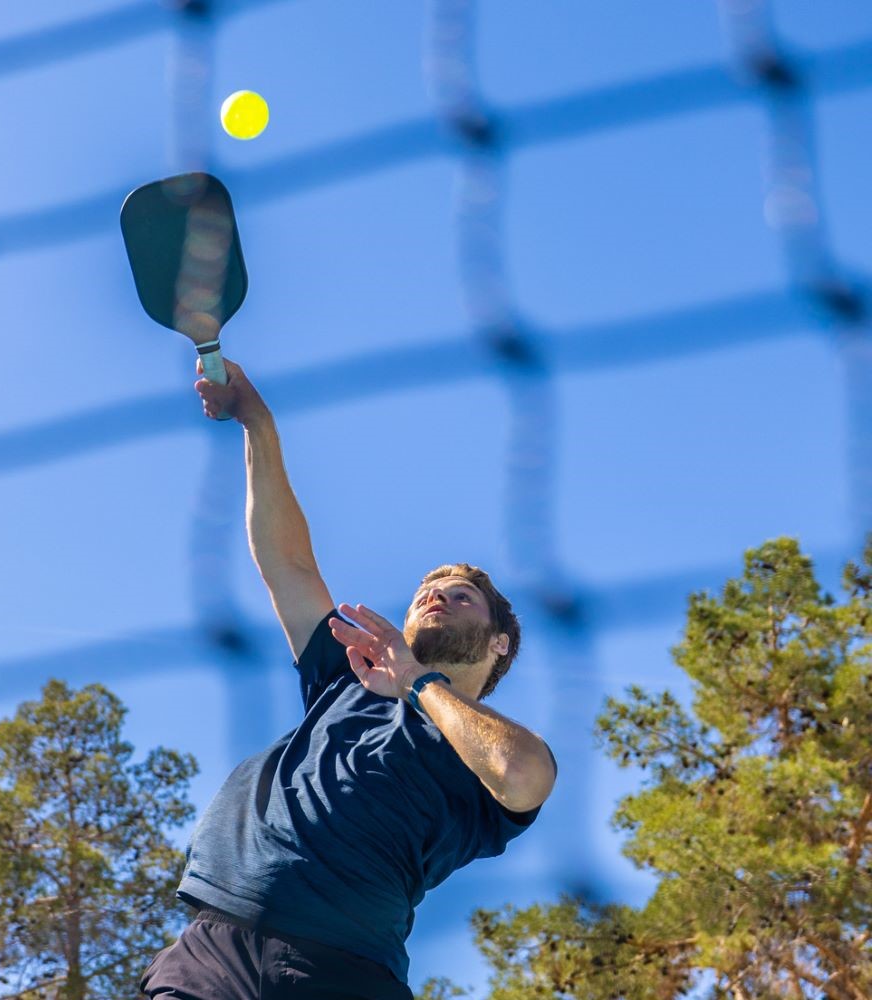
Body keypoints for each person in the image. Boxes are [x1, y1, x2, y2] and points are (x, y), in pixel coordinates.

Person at [138, 358, 559, 999]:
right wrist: (257, 423)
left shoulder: (479, 757)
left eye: (462, 595)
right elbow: (288, 564)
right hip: (210, 952)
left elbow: (527, 774)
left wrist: (416, 682)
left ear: (499, 643)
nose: (437, 595)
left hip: (342, 971)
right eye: (428, 589)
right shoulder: (345, 677)